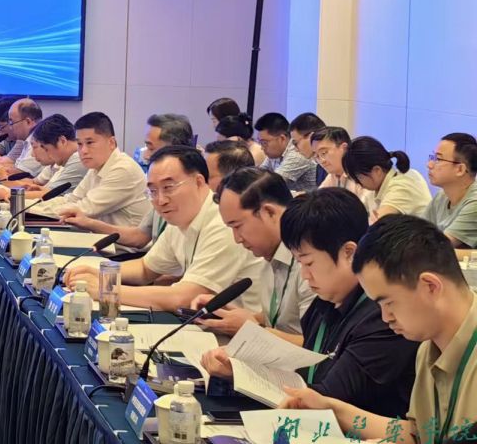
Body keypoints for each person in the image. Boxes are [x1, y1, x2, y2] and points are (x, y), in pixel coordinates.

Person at [283, 215, 477, 443]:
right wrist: (330, 408)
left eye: (389, 303)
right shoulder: (428, 347)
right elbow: (419, 434)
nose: (385, 317)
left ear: (430, 286)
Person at [265, 189, 416, 416]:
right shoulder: (324, 303)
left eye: (308, 263)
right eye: (299, 263)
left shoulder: (382, 316)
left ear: (349, 253)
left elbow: (330, 398)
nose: (305, 275)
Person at [64, 146, 266, 311]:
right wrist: (98, 272)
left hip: (240, 334)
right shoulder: (180, 217)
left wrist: (105, 289)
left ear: (198, 182)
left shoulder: (223, 223)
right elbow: (145, 269)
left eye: (168, 187)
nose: (160, 200)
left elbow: (183, 297)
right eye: (153, 191)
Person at [62, 138, 254, 250]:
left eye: (151, 147)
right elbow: (142, 244)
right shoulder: (172, 208)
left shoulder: (221, 225)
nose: (145, 154)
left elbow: (185, 289)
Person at [193, 168, 315, 344]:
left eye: (237, 226)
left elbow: (316, 348)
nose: (237, 239)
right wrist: (227, 313)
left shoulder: (310, 260)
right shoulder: (269, 253)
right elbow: (281, 320)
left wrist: (253, 330)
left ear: (269, 212)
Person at [38, 112, 151, 231]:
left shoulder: (123, 169)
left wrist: (33, 211)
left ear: (111, 143)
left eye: (90, 143)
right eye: (79, 144)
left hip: (123, 242)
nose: (83, 150)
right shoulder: (96, 167)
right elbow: (71, 199)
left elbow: (83, 209)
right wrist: (30, 207)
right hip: (101, 239)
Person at [0, 114, 87, 201]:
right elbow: (48, 191)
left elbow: (51, 195)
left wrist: (9, 193)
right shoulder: (65, 160)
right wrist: (40, 189)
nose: (33, 155)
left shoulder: (78, 159)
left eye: (46, 149)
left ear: (62, 141)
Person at [343, 136, 430, 219]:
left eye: (358, 177)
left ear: (377, 170)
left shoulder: (403, 184)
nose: (357, 183)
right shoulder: (375, 187)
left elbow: (379, 224)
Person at [423, 132, 477, 248]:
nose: (429, 164)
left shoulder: (475, 202)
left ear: (460, 169)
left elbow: (439, 246)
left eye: (438, 159)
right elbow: (418, 233)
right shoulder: (441, 196)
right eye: (432, 157)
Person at [309, 127, 375, 215]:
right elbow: (316, 203)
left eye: (324, 153)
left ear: (344, 148)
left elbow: (364, 212)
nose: (321, 161)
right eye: (317, 156)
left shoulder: (362, 174)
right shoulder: (333, 175)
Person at [254, 112, 317, 193]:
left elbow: (270, 184)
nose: (262, 148)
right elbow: (258, 175)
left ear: (282, 138)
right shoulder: (275, 153)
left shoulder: (297, 154)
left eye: (264, 143)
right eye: (260, 142)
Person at [0, 98, 43, 179]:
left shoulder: (38, 142)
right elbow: (15, 168)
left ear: (28, 122)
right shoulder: (26, 141)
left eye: (11, 122)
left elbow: (16, 176)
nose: (10, 127)